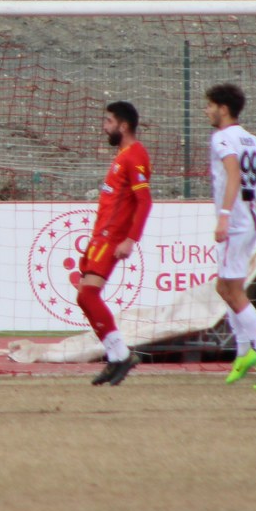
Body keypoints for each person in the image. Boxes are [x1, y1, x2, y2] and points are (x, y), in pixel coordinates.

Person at [205, 83, 256, 389]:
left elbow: (234, 174)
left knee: (232, 291)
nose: (207, 111)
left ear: (223, 109)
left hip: (236, 223)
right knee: (224, 287)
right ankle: (243, 352)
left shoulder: (222, 138)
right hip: (248, 220)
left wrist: (225, 216)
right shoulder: (250, 138)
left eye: (210, 105)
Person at [77, 102, 154, 387]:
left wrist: (130, 239)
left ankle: (121, 355)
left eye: (108, 121)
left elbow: (144, 201)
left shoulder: (135, 155)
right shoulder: (122, 156)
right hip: (100, 235)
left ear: (123, 125)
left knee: (88, 295)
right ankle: (115, 355)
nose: (104, 126)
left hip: (112, 238)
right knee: (84, 297)